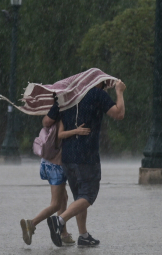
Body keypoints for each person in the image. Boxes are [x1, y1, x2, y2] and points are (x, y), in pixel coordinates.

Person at [44, 79, 126, 247]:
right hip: (87, 156)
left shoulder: (66, 97)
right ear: (98, 83)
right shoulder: (97, 94)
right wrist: (119, 92)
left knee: (79, 197)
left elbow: (46, 121)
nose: (105, 88)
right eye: (104, 85)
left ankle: (84, 236)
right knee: (88, 195)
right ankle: (59, 221)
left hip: (67, 157)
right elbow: (119, 114)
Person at [20, 114, 77, 246]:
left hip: (47, 162)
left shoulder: (52, 115)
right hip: (56, 166)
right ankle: (31, 223)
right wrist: (76, 131)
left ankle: (63, 233)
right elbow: (60, 135)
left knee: (63, 197)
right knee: (56, 204)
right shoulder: (65, 116)